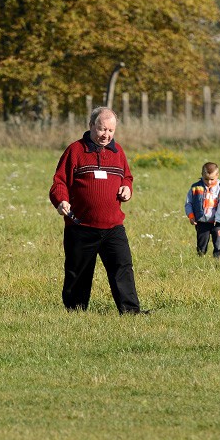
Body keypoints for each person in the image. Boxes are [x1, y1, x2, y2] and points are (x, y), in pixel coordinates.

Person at [49, 106, 145, 315]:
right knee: (79, 272)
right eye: (102, 129)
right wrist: (61, 201)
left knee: (123, 268)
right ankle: (75, 312)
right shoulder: (75, 150)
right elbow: (59, 182)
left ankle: (130, 311)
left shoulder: (118, 152)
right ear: (91, 125)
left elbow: (126, 177)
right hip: (80, 225)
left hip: (113, 226)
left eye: (111, 131)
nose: (106, 135)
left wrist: (127, 188)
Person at [185, 162, 220, 258]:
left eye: (212, 179)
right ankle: (201, 258)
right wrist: (191, 216)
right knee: (202, 244)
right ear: (202, 175)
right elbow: (188, 203)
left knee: (219, 242)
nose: (209, 182)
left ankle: (219, 261)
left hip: (217, 222)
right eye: (206, 179)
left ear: (217, 175)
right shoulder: (195, 188)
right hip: (202, 221)